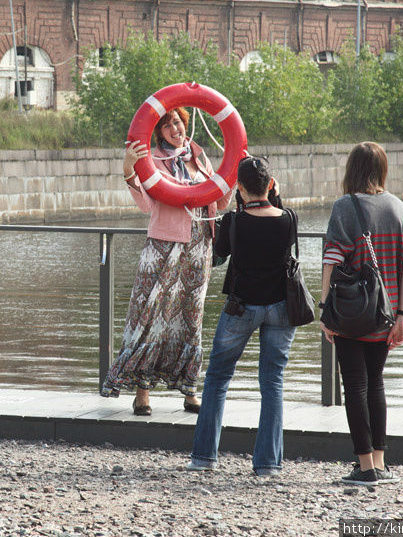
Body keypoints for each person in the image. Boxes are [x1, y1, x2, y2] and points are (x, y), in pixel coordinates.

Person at [101, 106, 232, 415]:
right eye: (167, 125)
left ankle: (189, 390)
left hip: (199, 248)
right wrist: (129, 170)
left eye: (178, 122)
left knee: (190, 318)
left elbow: (219, 200)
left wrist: (232, 175)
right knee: (150, 316)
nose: (175, 129)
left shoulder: (199, 158)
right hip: (163, 246)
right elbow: (147, 205)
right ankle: (142, 393)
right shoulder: (152, 161)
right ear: (158, 131)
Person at [187, 156, 297, 475]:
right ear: (271, 185)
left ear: (240, 189)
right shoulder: (289, 218)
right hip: (281, 308)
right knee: (273, 381)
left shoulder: (234, 222)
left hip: (242, 307)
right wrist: (273, 194)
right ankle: (267, 465)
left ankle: (204, 457)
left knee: (219, 377)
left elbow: (219, 256)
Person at [319, 142, 403, 486]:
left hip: (350, 314)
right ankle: (380, 462)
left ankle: (364, 468)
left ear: (352, 170)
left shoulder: (345, 207)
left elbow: (331, 260)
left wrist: (324, 311)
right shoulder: (399, 208)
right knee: (375, 384)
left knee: (355, 387)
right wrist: (402, 315)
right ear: (382, 169)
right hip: (385, 315)